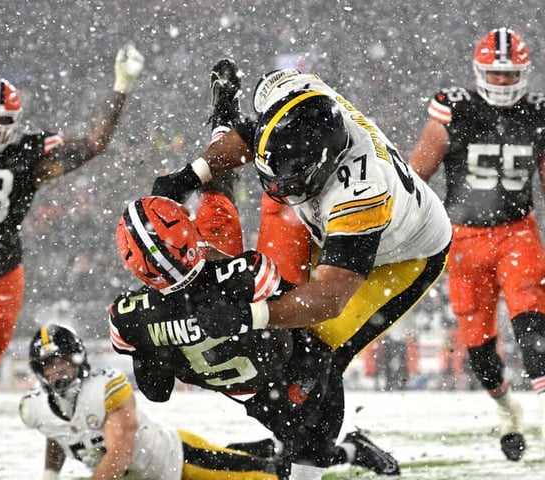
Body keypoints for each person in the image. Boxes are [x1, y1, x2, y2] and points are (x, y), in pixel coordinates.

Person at [0, 43, 145, 479]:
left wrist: (120, 87)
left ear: (16, 123)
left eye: (2, 121)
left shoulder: (29, 154)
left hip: (0, 285)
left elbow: (95, 142)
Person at [152, 66, 452, 377]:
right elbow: (254, 136)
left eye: (287, 179)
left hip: (398, 256)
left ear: (322, 165)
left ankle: (311, 413)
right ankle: (222, 125)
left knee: (313, 357)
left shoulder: (360, 192)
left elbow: (329, 298)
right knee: (247, 281)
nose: (274, 186)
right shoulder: (295, 96)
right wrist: (189, 176)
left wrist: (247, 316)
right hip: (323, 217)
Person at [110, 195, 400, 478]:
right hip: (288, 373)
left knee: (302, 458)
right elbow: (300, 305)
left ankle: (311, 450)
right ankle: (342, 450)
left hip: (286, 382)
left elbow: (156, 392)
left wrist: (159, 344)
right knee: (297, 457)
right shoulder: (243, 273)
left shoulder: (130, 316)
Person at [408, 27, 545, 461]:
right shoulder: (454, 109)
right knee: (480, 351)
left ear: (523, 73)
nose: (502, 82)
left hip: (517, 231)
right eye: (495, 74)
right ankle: (508, 411)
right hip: (463, 239)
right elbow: (416, 180)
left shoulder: (538, 113)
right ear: (479, 71)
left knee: (532, 323)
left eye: (510, 75)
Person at [20, 324, 286, 480]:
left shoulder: (105, 389)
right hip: (137, 476)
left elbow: (119, 456)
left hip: (175, 461)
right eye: (49, 364)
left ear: (78, 358)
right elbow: (55, 431)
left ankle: (277, 458)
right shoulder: (36, 408)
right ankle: (255, 450)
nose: (59, 370)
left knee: (267, 477)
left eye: (64, 360)